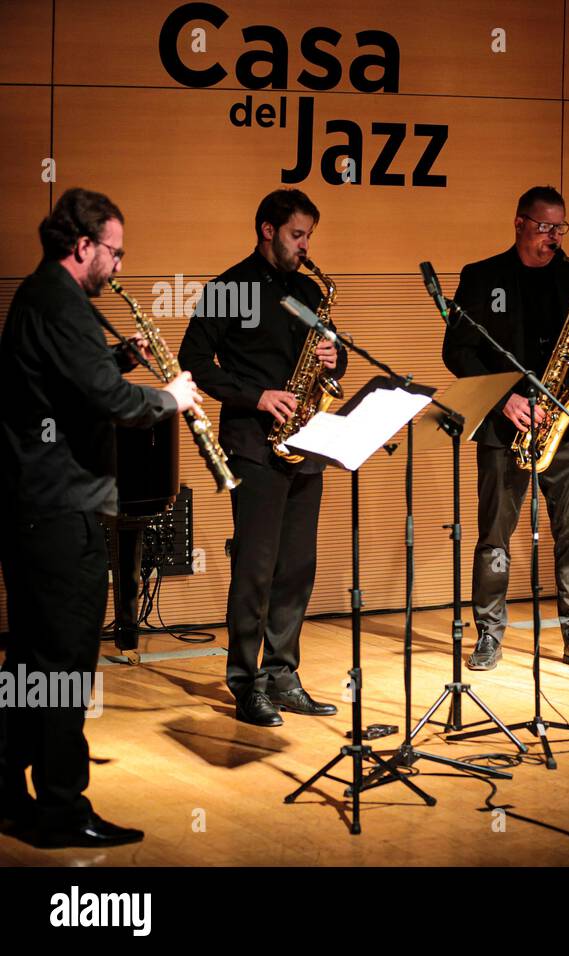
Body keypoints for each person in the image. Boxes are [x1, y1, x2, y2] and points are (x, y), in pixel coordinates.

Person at [0, 187, 199, 847]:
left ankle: (7, 791)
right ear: (81, 245)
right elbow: (109, 401)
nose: (118, 265)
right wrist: (167, 397)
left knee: (30, 662)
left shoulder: (42, 299)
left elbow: (68, 385)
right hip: (64, 513)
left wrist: (114, 357)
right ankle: (61, 811)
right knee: (62, 666)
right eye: (113, 251)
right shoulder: (62, 304)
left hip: (35, 510)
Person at [178, 189, 345, 726]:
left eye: (309, 237)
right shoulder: (228, 289)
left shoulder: (308, 293)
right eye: (297, 235)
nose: (305, 246)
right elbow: (194, 360)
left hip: (306, 442)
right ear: (268, 230)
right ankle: (245, 682)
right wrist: (258, 396)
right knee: (255, 567)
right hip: (253, 442)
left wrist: (333, 356)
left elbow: (332, 365)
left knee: (297, 566)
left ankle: (282, 673)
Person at [443, 185, 569, 673]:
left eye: (561, 227)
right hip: (506, 423)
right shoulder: (481, 276)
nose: (554, 237)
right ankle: (489, 635)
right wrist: (504, 399)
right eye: (544, 227)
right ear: (519, 223)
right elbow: (456, 351)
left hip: (566, 422)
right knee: (495, 535)